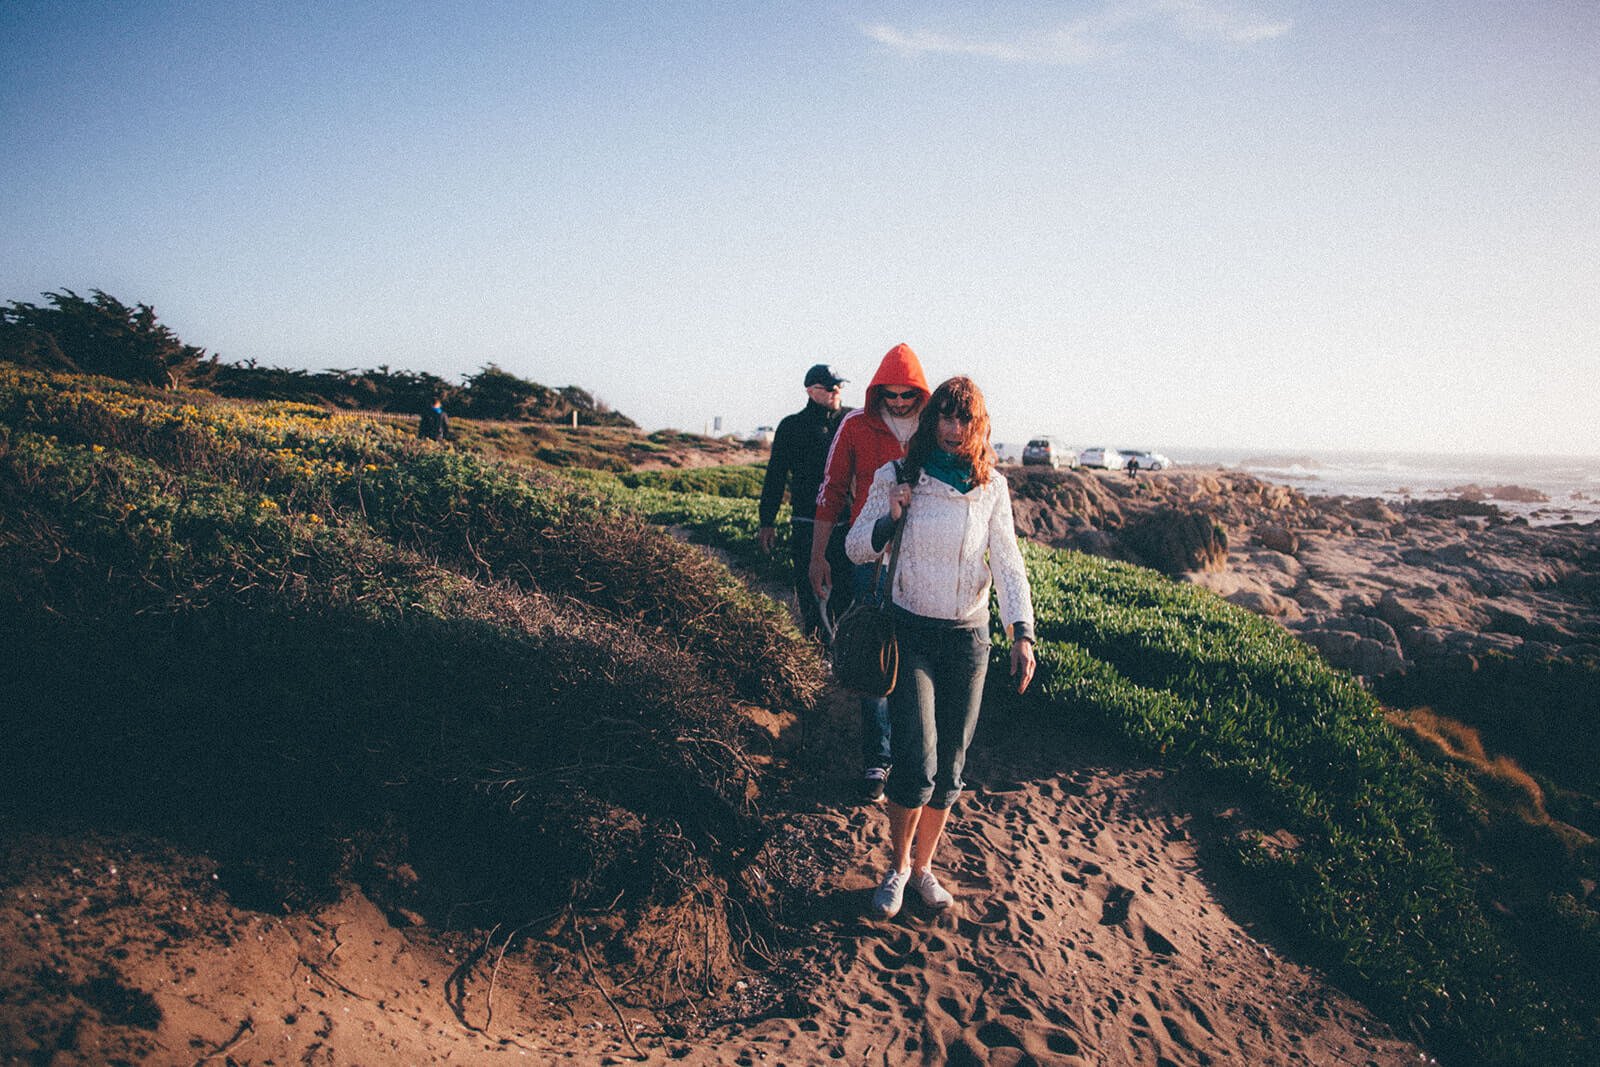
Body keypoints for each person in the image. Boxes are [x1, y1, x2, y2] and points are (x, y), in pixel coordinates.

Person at [845, 376, 1036, 919]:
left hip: (969, 639)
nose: (954, 430)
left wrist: (1021, 632)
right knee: (916, 760)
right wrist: (890, 516)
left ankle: (925, 868)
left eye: (965, 420)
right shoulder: (899, 475)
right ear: (932, 423)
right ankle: (897, 867)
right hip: (911, 634)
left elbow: (1007, 562)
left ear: (979, 427)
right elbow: (856, 547)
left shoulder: (992, 488)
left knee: (951, 765)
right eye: (946, 418)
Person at [811, 343, 930, 802]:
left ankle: (912, 756)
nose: (899, 402)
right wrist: (817, 556)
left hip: (922, 565)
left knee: (918, 660)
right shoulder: (855, 425)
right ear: (877, 389)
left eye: (907, 394)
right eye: (891, 394)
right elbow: (831, 491)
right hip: (872, 561)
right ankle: (877, 760)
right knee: (873, 660)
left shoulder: (936, 426)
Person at [758, 363, 855, 641]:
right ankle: (816, 656)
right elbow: (775, 476)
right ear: (810, 391)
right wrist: (767, 521)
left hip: (845, 522)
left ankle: (842, 656)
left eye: (839, 385)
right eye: (828, 386)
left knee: (846, 594)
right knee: (811, 594)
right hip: (806, 522)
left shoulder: (852, 421)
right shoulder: (792, 427)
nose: (836, 390)